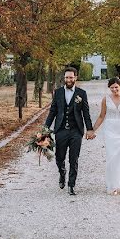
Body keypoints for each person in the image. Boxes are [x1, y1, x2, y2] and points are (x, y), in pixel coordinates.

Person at [44, 67, 94, 196]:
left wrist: (89, 129)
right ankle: (62, 173)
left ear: (75, 78)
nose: (69, 80)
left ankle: (71, 185)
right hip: (60, 130)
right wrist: (45, 128)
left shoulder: (81, 93)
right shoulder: (58, 92)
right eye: (67, 77)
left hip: (76, 131)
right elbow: (53, 111)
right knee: (59, 158)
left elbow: (86, 113)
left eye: (71, 77)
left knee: (74, 158)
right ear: (64, 78)